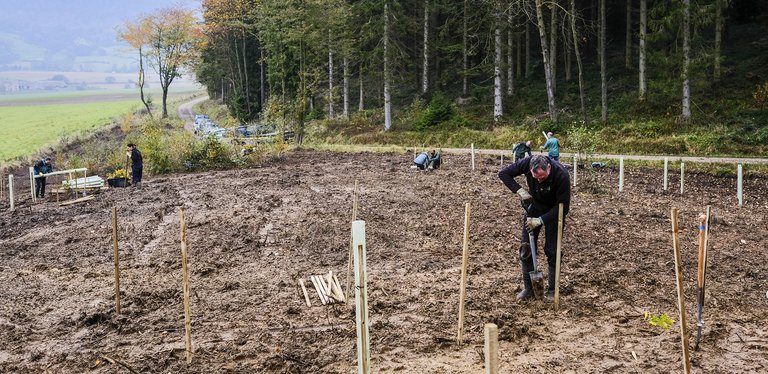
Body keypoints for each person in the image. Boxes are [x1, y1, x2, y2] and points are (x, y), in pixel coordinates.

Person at [498, 154, 571, 301]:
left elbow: (563, 207)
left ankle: (552, 290)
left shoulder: (561, 175)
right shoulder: (527, 162)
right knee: (526, 248)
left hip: (554, 211)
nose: (538, 180)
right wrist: (520, 191)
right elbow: (503, 173)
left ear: (549, 168)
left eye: (542, 177)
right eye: (535, 177)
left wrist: (541, 220)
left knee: (553, 250)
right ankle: (529, 289)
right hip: (535, 207)